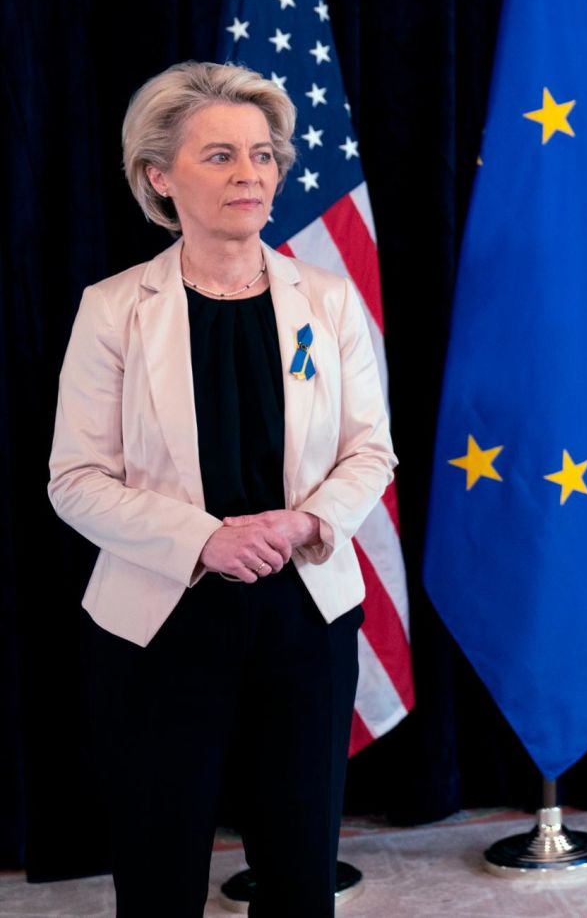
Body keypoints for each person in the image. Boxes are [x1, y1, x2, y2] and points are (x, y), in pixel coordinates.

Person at [47, 61, 397, 917]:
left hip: (305, 610)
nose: (250, 174)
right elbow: (75, 480)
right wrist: (205, 539)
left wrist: (308, 520)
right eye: (220, 156)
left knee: (300, 873)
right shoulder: (112, 308)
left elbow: (372, 452)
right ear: (159, 177)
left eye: (262, 155)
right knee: (161, 879)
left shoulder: (330, 299)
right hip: (159, 621)